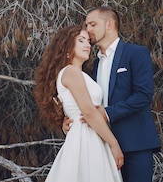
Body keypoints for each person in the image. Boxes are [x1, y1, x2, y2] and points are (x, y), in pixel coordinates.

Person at [79, 6, 161, 182]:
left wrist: (108, 113)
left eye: (93, 24)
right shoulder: (94, 64)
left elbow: (143, 95)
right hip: (102, 146)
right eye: (87, 25)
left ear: (109, 24)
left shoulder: (136, 53)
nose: (88, 30)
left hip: (135, 144)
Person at [33, 25, 123, 182]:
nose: (87, 45)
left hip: (91, 134)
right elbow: (88, 111)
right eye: (81, 40)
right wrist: (114, 144)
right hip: (86, 137)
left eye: (88, 41)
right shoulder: (71, 72)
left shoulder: (79, 74)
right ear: (67, 46)